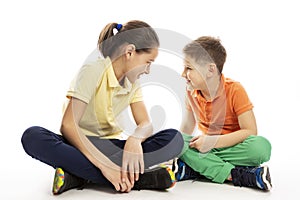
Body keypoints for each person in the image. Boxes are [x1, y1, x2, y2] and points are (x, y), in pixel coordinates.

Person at [21, 20, 183, 195]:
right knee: (33, 136)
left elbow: (145, 123)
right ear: (130, 52)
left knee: (174, 139)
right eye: (148, 62)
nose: (148, 70)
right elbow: (68, 125)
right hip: (79, 144)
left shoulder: (132, 82)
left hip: (112, 149)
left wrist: (135, 139)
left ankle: (78, 175)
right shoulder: (93, 70)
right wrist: (103, 165)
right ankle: (138, 179)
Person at [173, 36, 272, 191]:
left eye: (189, 68)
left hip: (232, 147)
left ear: (211, 70)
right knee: (175, 139)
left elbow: (250, 131)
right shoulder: (190, 91)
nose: (183, 74)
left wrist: (212, 142)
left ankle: (196, 168)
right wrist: (176, 147)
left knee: (261, 147)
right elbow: (186, 127)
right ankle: (236, 174)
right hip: (204, 148)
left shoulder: (235, 90)